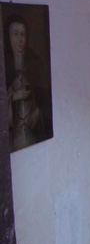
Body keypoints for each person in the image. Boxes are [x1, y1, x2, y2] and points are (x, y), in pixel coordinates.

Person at [4, 14, 51, 151]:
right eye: (16, 34)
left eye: (23, 34)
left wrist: (39, 111)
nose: (20, 39)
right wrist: (13, 97)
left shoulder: (34, 62)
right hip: (14, 137)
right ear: (8, 36)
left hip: (32, 133)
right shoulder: (4, 64)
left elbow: (44, 95)